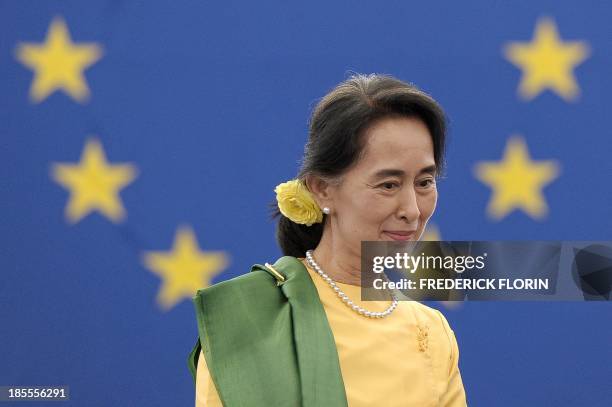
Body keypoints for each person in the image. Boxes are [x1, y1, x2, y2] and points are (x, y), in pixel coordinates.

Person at [188, 73, 468, 406]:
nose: (411, 209)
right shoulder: (251, 321)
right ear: (321, 188)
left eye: (425, 182)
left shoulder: (433, 330)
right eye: (388, 185)